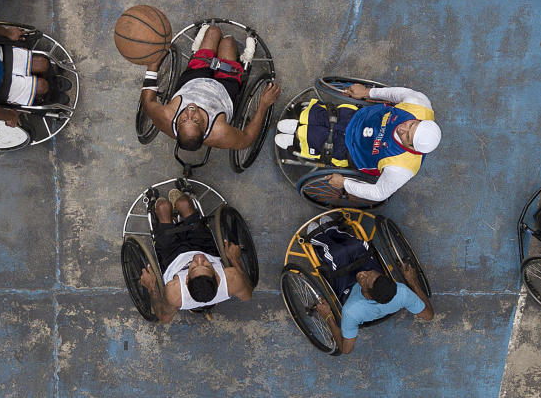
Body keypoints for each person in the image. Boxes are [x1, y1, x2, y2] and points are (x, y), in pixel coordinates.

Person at [275, 84, 441, 201]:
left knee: (314, 139)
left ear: (412, 147)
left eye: (407, 137)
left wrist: (345, 183)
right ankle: (302, 120)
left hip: (351, 150)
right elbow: (398, 94)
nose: (402, 129)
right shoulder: (420, 105)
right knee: (317, 115)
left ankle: (298, 140)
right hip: (356, 116)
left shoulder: (402, 168)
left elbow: (379, 193)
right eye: (411, 124)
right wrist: (368, 92)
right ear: (419, 120)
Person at [140, 24, 280, 151]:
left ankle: (198, 49)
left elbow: (147, 103)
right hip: (223, 89)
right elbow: (247, 139)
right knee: (228, 41)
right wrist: (263, 104)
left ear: (176, 124)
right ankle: (245, 59)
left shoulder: (166, 117)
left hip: (194, 81)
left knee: (213, 31)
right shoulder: (220, 133)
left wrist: (153, 65)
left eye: (183, 119)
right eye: (195, 120)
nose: (190, 111)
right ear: (204, 127)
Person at [307, 221, 433, 354]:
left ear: (367, 295)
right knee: (357, 246)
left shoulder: (352, 311)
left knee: (338, 254)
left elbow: (346, 349)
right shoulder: (401, 292)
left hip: (348, 289)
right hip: (371, 284)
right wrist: (413, 282)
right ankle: (333, 230)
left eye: (364, 278)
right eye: (370, 273)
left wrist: (328, 317)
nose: (362, 273)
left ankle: (319, 238)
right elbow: (429, 315)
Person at [139, 190, 253, 323]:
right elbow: (248, 295)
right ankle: (180, 218)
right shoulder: (232, 279)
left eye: (193, 267)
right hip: (205, 248)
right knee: (184, 203)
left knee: (163, 207)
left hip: (172, 257)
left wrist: (151, 286)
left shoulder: (175, 292)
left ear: (186, 280)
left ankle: (168, 218)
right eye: (206, 265)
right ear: (217, 276)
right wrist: (235, 259)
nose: (198, 258)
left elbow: (164, 318)